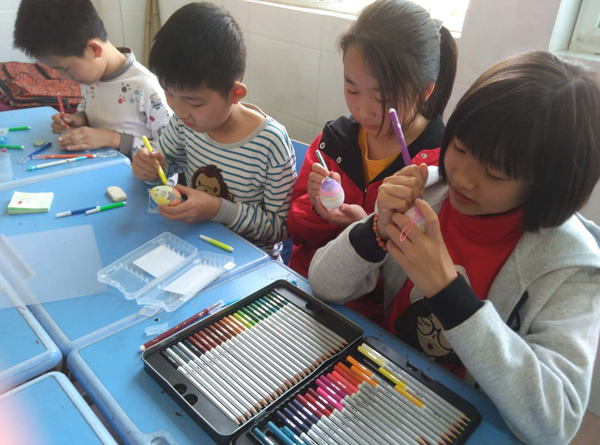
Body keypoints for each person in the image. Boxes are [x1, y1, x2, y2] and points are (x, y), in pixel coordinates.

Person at [309, 51, 600, 444]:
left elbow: (554, 425)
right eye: (460, 148)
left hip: (469, 423)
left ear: (546, 184)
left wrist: (448, 292)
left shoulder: (572, 269)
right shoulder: (427, 191)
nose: (462, 178)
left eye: (495, 173)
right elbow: (323, 283)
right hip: (380, 391)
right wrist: (375, 229)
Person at [287, 0, 457, 278]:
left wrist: (368, 230)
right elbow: (295, 232)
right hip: (303, 286)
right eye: (352, 90)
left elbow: (418, 277)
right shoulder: (333, 142)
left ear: (423, 91)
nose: (363, 111)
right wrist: (319, 210)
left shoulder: (440, 169)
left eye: (382, 97)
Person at [132, 2, 296, 257]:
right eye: (169, 93)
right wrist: (151, 169)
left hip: (251, 262)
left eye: (195, 103)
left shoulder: (270, 143)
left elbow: (280, 228)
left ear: (235, 94)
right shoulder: (185, 123)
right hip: (193, 247)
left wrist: (218, 209)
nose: (179, 110)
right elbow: (166, 169)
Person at [13, 0, 171, 157]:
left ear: (94, 49)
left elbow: (169, 152)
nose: (64, 78)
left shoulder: (147, 88)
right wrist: (79, 120)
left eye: (65, 69)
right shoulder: (91, 79)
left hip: (136, 173)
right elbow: (88, 109)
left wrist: (111, 139)